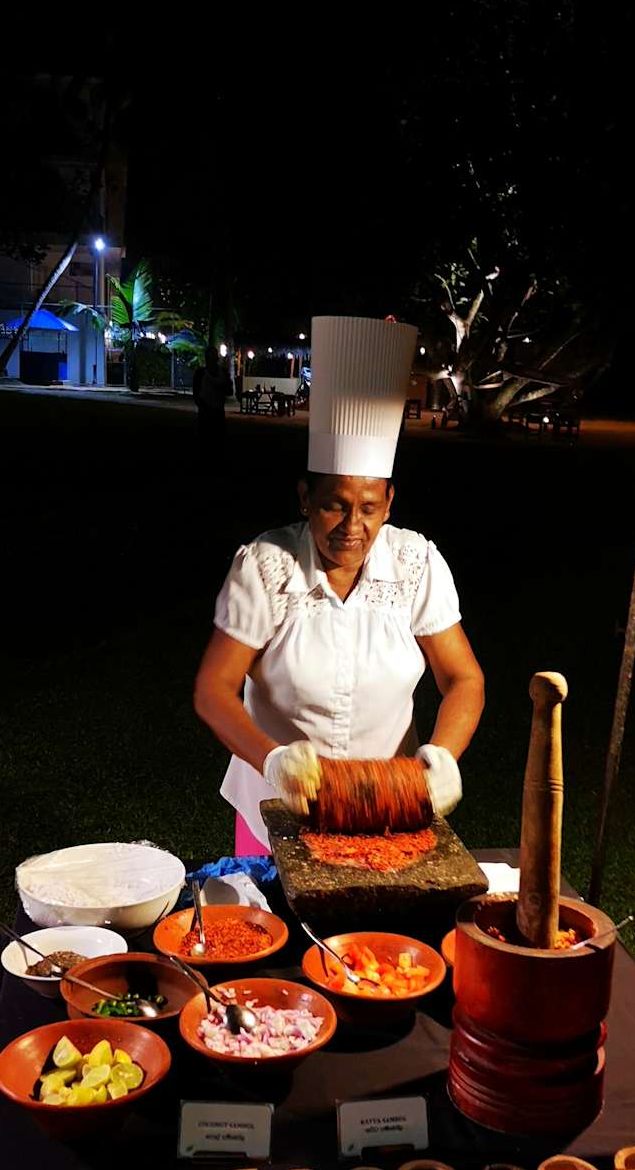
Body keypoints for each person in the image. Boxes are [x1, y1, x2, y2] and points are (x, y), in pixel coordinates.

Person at [194, 315, 485, 854]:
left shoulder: (415, 563)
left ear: (389, 503)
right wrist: (272, 760)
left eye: (369, 508)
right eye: (334, 505)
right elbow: (213, 689)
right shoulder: (266, 566)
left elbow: (462, 677)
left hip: (387, 810)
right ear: (305, 498)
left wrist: (443, 755)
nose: (353, 527)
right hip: (275, 811)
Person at [193, 345, 230, 453]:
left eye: (213, 357)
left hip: (217, 412)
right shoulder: (201, 373)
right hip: (206, 412)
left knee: (216, 443)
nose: (212, 360)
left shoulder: (222, 373)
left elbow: (229, 391)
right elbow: (196, 393)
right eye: (210, 357)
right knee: (207, 443)